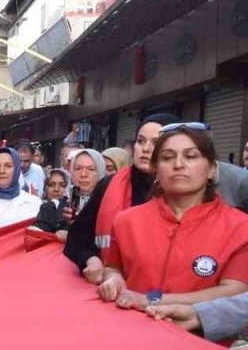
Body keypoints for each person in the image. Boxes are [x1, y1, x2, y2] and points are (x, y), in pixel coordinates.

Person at [98, 124, 248, 309]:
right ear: (156, 169)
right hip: (129, 322)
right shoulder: (126, 221)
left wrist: (149, 300)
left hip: (197, 328)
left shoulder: (240, 227)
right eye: (167, 157)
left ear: (211, 169)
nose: (178, 165)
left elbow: (234, 291)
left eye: (190, 156)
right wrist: (113, 279)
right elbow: (113, 268)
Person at [64, 113, 180, 284]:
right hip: (109, 288)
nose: (146, 149)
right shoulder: (108, 185)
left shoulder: (183, 192)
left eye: (156, 142)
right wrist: (90, 259)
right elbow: (78, 237)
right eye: (140, 141)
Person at [31, 168, 70, 239]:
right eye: (51, 185)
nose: (56, 189)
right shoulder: (36, 205)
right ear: (45, 187)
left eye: (62, 185)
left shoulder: (71, 210)